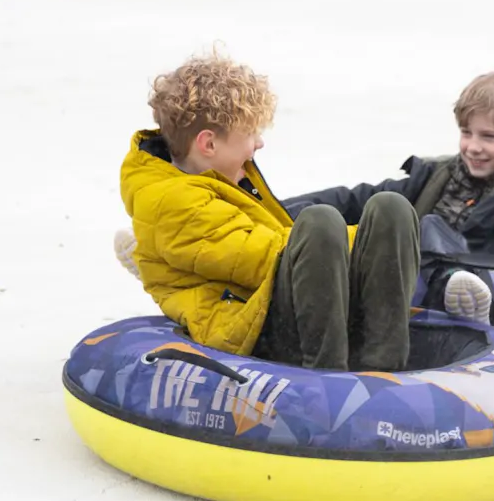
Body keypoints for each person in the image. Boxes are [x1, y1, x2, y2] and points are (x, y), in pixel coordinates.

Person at [119, 49, 419, 372]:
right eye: (250, 134)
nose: (258, 144)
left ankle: (385, 368)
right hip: (248, 327)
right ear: (208, 145)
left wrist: (379, 241)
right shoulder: (171, 202)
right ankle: (327, 376)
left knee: (392, 209)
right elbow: (264, 257)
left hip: (275, 303)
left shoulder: (221, 173)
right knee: (319, 225)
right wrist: (362, 247)